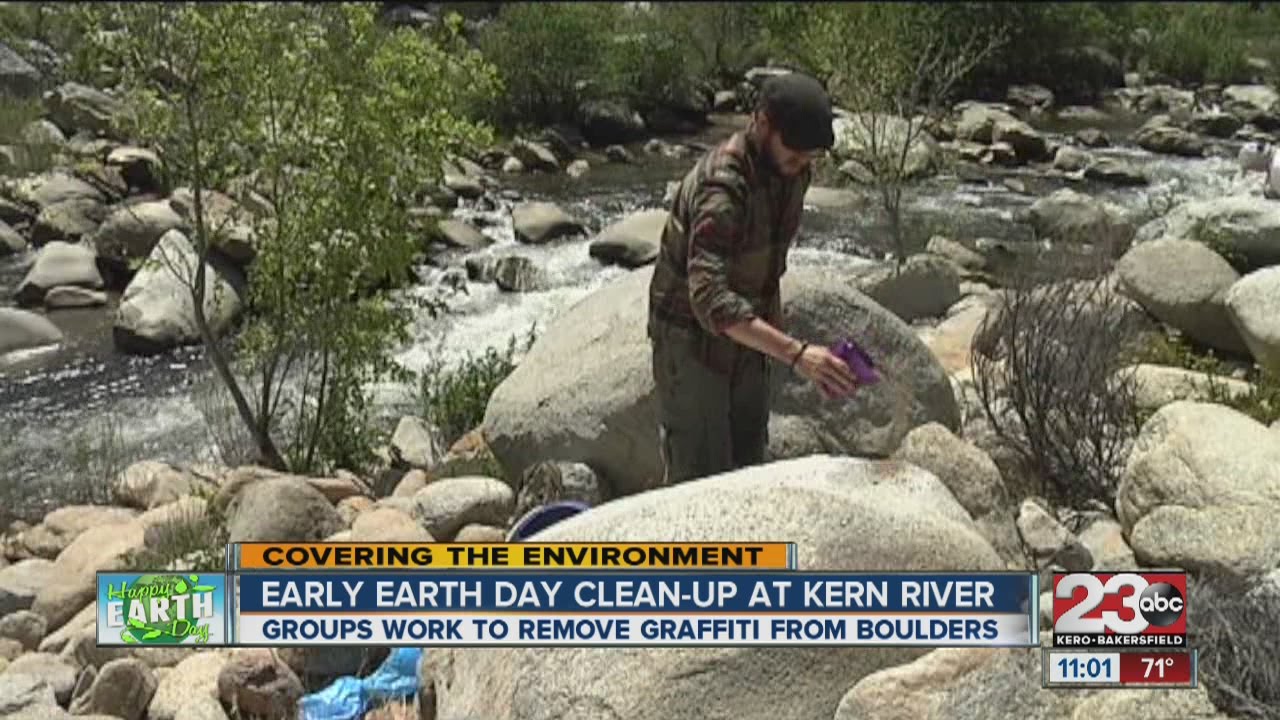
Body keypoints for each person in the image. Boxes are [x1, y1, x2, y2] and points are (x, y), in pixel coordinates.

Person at [647, 71, 859, 486]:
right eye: (795, 154)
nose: (802, 166)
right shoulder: (722, 187)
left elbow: (768, 267)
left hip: (745, 336)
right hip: (690, 341)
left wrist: (788, 350)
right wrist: (796, 354)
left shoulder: (793, 172)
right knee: (701, 481)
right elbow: (708, 298)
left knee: (748, 470)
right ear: (762, 124)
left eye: (809, 159)